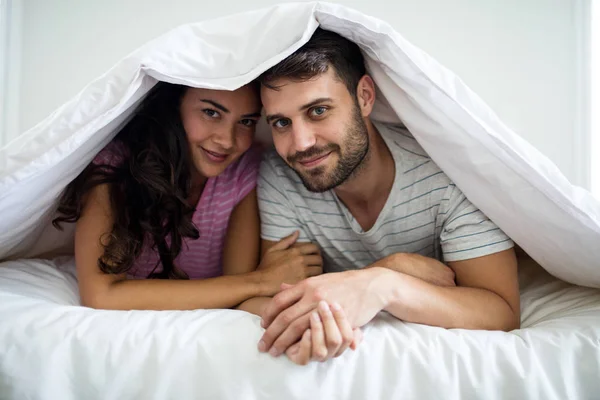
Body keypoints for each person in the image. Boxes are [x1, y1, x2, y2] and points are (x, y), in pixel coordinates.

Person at [255, 28, 521, 365]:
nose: (301, 143)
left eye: (318, 111)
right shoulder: (281, 175)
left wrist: (383, 284)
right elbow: (276, 302)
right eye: (281, 123)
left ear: (365, 96)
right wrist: (388, 270)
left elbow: (502, 312)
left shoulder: (447, 175)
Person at [52, 81, 325, 315]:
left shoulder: (243, 172)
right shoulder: (115, 167)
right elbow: (102, 295)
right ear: (174, 109)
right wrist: (261, 281)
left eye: (246, 121)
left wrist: (256, 285)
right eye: (211, 112)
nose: (227, 140)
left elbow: (236, 295)